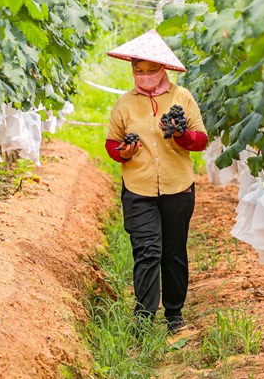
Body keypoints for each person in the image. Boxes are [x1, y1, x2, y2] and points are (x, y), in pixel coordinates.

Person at [104, 30, 208, 334]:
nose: (145, 76)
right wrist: (125, 152)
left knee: (173, 252)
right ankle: (144, 315)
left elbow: (200, 140)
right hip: (138, 188)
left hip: (177, 187)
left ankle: (174, 314)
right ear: (132, 70)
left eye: (151, 70)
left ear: (163, 70)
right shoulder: (124, 104)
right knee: (147, 250)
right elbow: (112, 144)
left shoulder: (182, 98)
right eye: (139, 70)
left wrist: (180, 135)